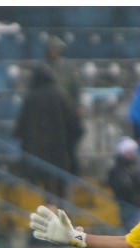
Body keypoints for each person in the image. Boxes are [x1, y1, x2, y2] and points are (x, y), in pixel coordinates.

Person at [14, 64, 81, 200]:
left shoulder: (31, 99)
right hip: (60, 154)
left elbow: (19, 130)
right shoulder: (60, 96)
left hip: (37, 156)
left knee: (46, 191)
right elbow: (76, 126)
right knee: (60, 189)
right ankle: (61, 214)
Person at [43, 34, 84, 175]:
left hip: (67, 114)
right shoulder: (44, 68)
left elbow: (75, 89)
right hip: (50, 115)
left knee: (69, 146)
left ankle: (72, 172)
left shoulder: (67, 68)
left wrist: (77, 106)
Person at [107, 136, 140, 231]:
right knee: (132, 229)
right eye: (129, 151)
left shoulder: (137, 165)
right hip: (126, 204)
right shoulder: (117, 169)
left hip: (138, 203)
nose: (132, 154)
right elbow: (122, 186)